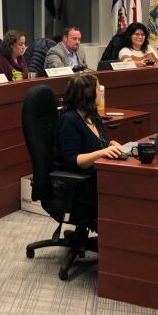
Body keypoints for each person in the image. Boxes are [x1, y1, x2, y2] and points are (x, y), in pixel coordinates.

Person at [52, 74, 124, 229]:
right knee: (122, 194)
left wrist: (109, 144)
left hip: (94, 176)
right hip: (77, 183)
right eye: (98, 88)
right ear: (88, 94)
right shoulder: (69, 120)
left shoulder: (93, 116)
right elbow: (73, 160)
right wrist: (101, 153)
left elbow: (99, 144)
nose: (101, 92)